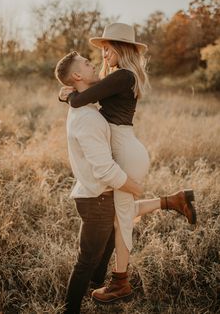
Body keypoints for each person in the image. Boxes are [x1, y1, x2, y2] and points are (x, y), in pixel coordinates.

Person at [58, 23, 197, 305]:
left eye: (108, 47)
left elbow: (80, 99)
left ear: (121, 48)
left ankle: (120, 282)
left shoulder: (123, 75)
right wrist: (70, 91)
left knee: (121, 220)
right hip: (124, 147)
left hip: (124, 150)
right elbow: (85, 90)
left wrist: (68, 94)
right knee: (119, 213)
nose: (103, 53)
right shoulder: (118, 76)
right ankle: (174, 201)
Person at [55, 51, 146, 314]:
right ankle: (69, 309)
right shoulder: (89, 118)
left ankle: (98, 287)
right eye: (87, 63)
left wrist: (68, 95)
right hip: (97, 198)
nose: (94, 63)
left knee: (105, 245)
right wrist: (133, 186)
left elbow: (78, 97)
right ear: (77, 76)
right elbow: (105, 170)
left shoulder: (88, 110)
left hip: (97, 195)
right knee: (86, 260)